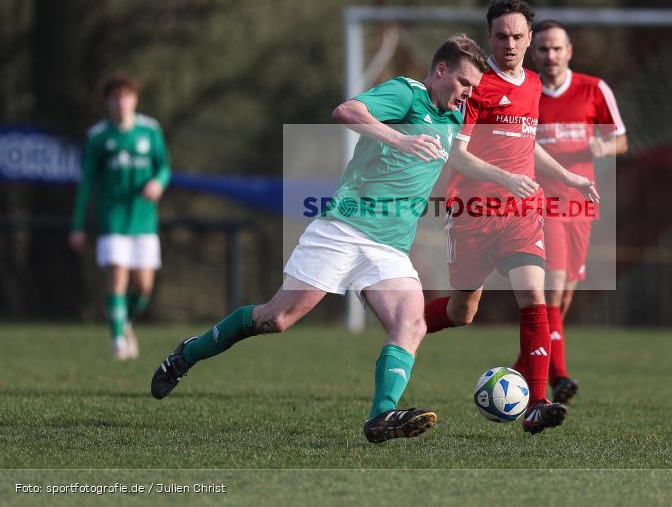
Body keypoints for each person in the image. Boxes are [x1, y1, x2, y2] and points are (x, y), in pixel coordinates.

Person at [149, 35, 488, 444]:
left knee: (411, 322)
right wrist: (400, 138)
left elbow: (468, 149)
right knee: (276, 319)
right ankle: (186, 354)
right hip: (343, 230)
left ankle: (382, 416)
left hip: (390, 246)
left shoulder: (456, 115)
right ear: (440, 71)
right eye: (464, 83)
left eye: (474, 88)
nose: (469, 94)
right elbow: (346, 111)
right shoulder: (406, 93)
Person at [422, 0, 599, 435]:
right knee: (463, 311)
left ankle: (538, 402)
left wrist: (567, 178)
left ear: (529, 39)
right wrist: (504, 178)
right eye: (501, 36)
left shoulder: (534, 84)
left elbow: (527, 145)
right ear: (489, 38)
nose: (510, 44)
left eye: (518, 36)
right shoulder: (475, 86)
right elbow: (457, 156)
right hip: (473, 214)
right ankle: (404, 324)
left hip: (520, 213)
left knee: (534, 299)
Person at [514, 19, 627, 404]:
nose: (550, 56)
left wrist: (603, 148)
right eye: (543, 49)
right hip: (541, 204)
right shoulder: (526, 90)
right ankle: (557, 378)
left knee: (559, 302)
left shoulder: (594, 89)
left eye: (557, 48)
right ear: (535, 52)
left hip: (581, 205)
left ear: (569, 51)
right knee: (552, 290)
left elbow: (621, 140)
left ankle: (518, 371)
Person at [69, 74, 170, 361]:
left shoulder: (150, 131)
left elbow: (164, 166)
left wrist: (158, 183)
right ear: (107, 102)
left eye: (126, 96)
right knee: (117, 277)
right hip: (112, 220)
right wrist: (77, 226)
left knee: (144, 287)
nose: (121, 102)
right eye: (115, 97)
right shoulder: (98, 137)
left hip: (144, 221)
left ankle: (124, 321)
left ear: (134, 99)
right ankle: (117, 341)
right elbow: (86, 183)